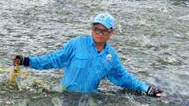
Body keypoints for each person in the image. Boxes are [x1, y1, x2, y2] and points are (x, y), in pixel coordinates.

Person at [14, 13, 163, 96]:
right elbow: (54, 59)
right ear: (92, 28)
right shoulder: (76, 44)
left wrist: (146, 88)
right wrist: (27, 61)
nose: (99, 33)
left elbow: (123, 78)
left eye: (104, 30)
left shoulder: (111, 56)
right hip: (65, 96)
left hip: (90, 100)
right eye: (96, 29)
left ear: (111, 32)